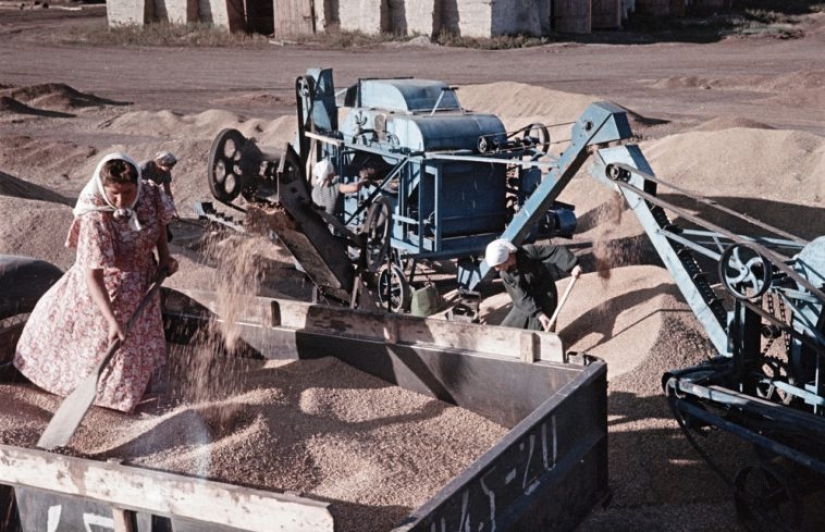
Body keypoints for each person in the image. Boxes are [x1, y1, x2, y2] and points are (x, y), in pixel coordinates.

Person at [13, 152, 178, 414]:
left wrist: (165, 257)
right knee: (107, 344)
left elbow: (157, 224)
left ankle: (133, 388)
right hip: (104, 290)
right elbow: (93, 276)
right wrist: (112, 319)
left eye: (127, 192)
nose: (121, 201)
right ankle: (106, 398)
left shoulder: (149, 195)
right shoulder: (95, 217)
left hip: (142, 279)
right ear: (103, 189)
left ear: (137, 184)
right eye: (114, 194)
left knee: (139, 342)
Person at [485, 238, 583, 331]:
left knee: (537, 332)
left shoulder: (528, 252)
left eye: (498, 265)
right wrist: (538, 314)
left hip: (545, 294)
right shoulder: (505, 274)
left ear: (506, 258)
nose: (496, 270)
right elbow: (520, 298)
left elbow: (555, 251)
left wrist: (573, 265)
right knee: (506, 330)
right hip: (526, 299)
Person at [141, 151, 178, 241]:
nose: (171, 168)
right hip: (140, 192)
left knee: (164, 208)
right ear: (161, 162)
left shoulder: (166, 173)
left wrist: (173, 210)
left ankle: (165, 233)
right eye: (169, 166)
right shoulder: (146, 166)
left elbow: (167, 191)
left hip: (153, 193)